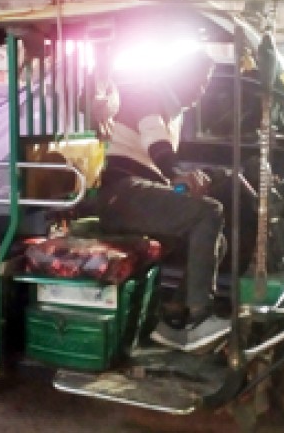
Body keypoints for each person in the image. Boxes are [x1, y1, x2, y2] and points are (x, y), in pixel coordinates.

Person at [95, 42, 229, 352]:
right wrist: (176, 173)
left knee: (217, 241)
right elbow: (156, 144)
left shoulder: (175, 114)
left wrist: (187, 181)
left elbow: (160, 164)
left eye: (206, 84)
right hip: (121, 193)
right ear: (179, 74)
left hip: (137, 192)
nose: (201, 90)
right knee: (209, 212)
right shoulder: (150, 95)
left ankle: (174, 317)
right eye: (197, 80)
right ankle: (200, 317)